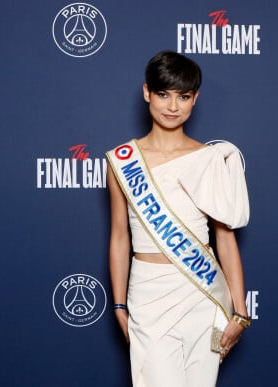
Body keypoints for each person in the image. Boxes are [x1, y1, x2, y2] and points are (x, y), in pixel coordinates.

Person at [106, 50, 251, 387]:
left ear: (195, 99)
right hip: (147, 291)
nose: (173, 106)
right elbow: (118, 236)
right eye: (163, 94)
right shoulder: (121, 161)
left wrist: (240, 313)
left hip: (200, 292)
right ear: (147, 93)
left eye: (183, 96)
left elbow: (225, 238)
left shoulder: (209, 158)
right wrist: (118, 305)